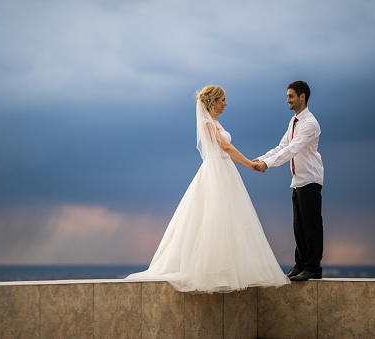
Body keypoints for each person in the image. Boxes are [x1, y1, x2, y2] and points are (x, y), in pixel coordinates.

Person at [126, 85, 290, 293]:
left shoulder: (215, 122)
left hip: (225, 171)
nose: (226, 103)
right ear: (213, 102)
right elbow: (226, 147)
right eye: (223, 99)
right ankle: (213, 270)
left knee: (230, 219)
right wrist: (250, 164)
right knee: (212, 217)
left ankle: (230, 268)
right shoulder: (206, 123)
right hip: (216, 172)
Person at [254, 80, 324, 281]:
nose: (288, 100)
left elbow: (293, 149)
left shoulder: (310, 123)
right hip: (298, 179)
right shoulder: (294, 122)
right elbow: (283, 146)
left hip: (310, 178)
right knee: (299, 225)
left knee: (311, 225)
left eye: (291, 96)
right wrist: (263, 159)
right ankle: (300, 264)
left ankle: (313, 267)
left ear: (302, 97)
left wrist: (268, 164)